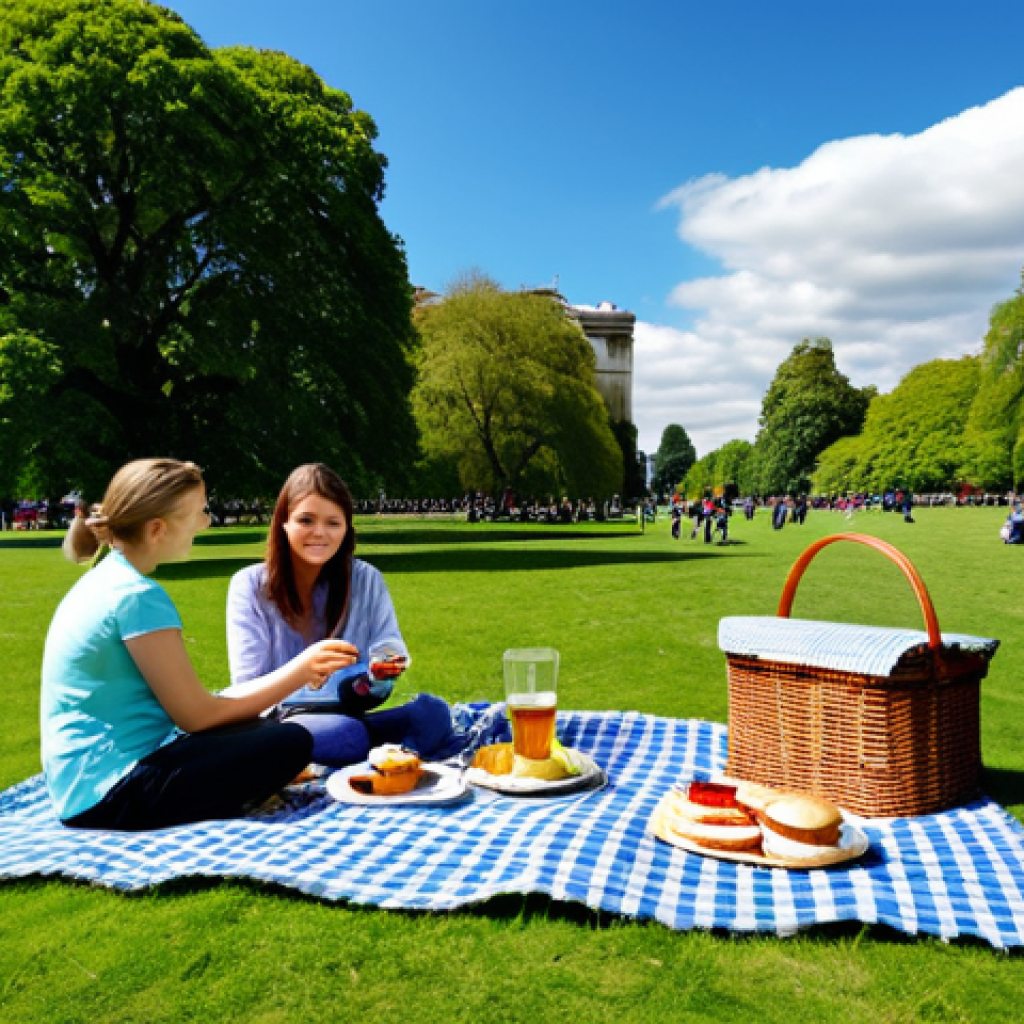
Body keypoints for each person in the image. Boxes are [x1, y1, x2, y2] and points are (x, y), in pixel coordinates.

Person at [43, 459, 355, 831]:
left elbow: (197, 707)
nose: (207, 522)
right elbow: (195, 717)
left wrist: (300, 669)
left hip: (86, 782)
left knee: (258, 729)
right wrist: (300, 672)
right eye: (200, 513)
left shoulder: (106, 580)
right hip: (111, 794)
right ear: (158, 529)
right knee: (291, 742)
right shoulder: (137, 598)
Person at [224, 463, 456, 769]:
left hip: (352, 710)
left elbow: (384, 654)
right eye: (306, 520)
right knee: (346, 735)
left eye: (333, 523)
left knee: (432, 712)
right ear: (283, 522)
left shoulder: (366, 580)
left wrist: (383, 670)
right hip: (281, 722)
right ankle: (380, 757)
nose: (319, 533)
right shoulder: (250, 586)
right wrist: (306, 673)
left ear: (346, 529)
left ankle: (382, 761)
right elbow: (248, 688)